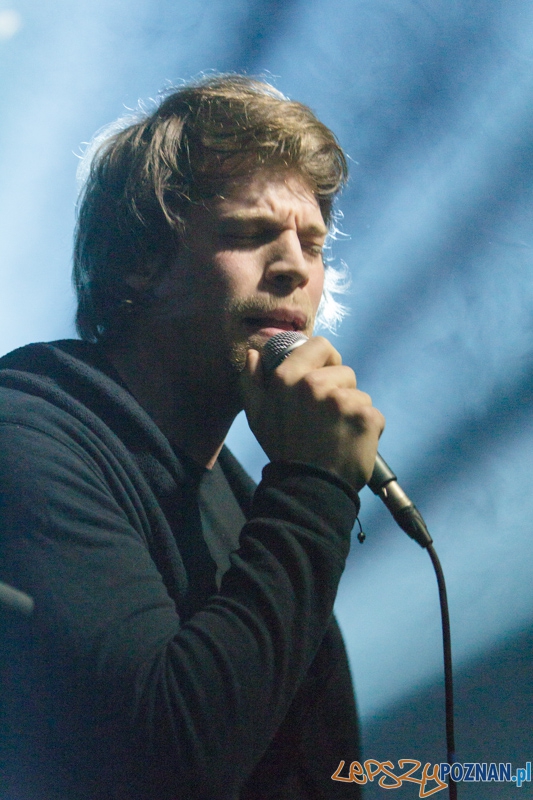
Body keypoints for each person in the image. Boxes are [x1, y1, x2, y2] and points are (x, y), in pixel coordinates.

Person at [0, 75, 384, 799]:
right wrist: (314, 484)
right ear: (140, 261)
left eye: (312, 244)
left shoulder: (238, 499)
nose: (295, 268)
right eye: (250, 234)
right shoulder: (26, 442)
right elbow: (169, 758)